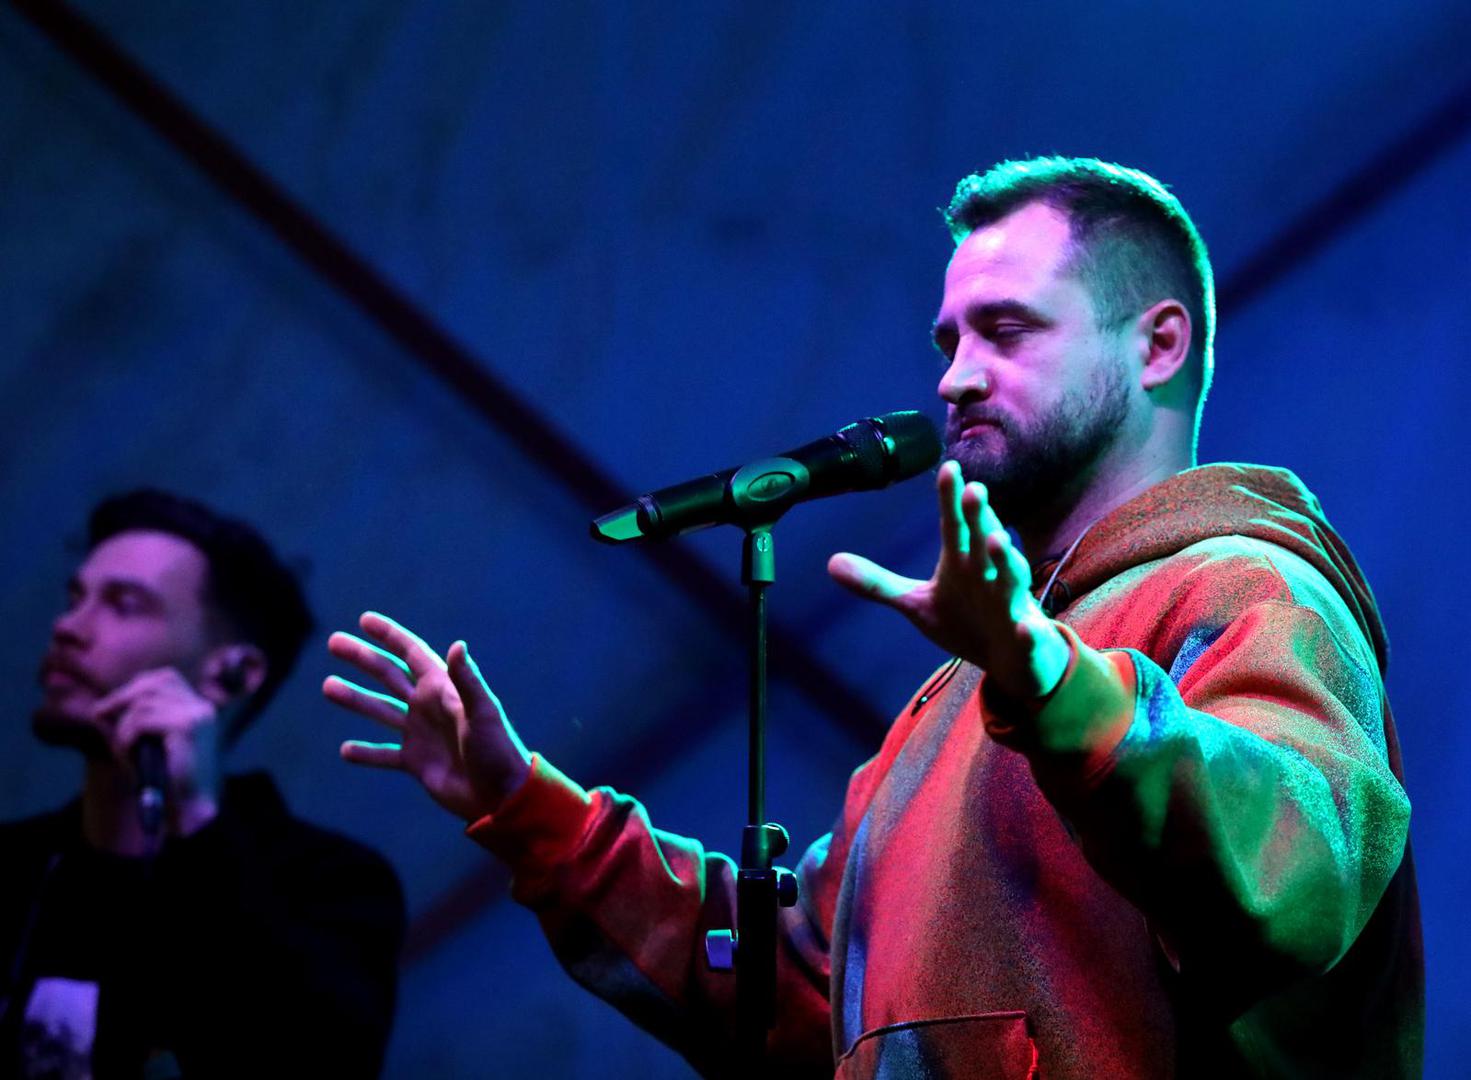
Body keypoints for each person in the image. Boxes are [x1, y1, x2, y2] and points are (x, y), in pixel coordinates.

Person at [324, 158, 1421, 1078]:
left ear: (1158, 345)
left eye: (1004, 330)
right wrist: (527, 810)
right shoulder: (963, 693)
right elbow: (796, 992)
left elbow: (1291, 881)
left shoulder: (1247, 586)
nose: (955, 379)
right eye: (948, 342)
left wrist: (1050, 684)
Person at [2, 490, 405, 1078]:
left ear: (232, 672)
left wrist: (194, 815)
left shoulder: (328, 885)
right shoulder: (15, 866)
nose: (68, 628)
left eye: (123, 605)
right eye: (75, 599)